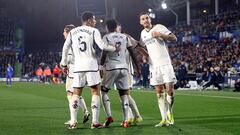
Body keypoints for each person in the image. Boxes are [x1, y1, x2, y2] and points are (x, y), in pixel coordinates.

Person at [60, 11, 119, 129]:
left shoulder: (72, 32)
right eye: (94, 19)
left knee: (76, 93)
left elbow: (65, 48)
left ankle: (73, 121)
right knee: (95, 91)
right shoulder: (93, 31)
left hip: (78, 66)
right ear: (88, 20)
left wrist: (64, 64)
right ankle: (95, 122)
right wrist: (114, 48)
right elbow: (102, 46)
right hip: (91, 65)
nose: (95, 21)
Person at [139, 12, 177, 127]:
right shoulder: (142, 34)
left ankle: (170, 111)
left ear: (150, 19)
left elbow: (174, 38)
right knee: (159, 92)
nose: (145, 20)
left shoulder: (159, 27)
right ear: (140, 22)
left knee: (170, 90)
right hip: (153, 66)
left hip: (165, 64)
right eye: (143, 19)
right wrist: (145, 55)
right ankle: (163, 118)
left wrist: (160, 34)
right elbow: (141, 46)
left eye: (147, 18)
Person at [100, 19, 140, 128]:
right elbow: (132, 52)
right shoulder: (125, 37)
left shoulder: (106, 37)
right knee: (124, 94)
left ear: (107, 27)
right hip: (124, 68)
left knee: (103, 91)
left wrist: (100, 66)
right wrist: (138, 67)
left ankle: (109, 116)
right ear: (116, 26)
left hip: (112, 67)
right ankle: (126, 120)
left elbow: (104, 53)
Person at [62, 24, 90, 125]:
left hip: (73, 71)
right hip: (82, 69)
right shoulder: (80, 41)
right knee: (77, 94)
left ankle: (73, 119)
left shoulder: (70, 43)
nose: (63, 34)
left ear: (68, 32)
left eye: (64, 32)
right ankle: (86, 111)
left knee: (70, 95)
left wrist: (63, 65)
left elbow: (69, 58)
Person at [116, 23, 143, 125]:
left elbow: (138, 45)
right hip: (117, 71)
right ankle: (131, 117)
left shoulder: (126, 37)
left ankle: (136, 116)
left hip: (126, 69)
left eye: (117, 27)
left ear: (120, 28)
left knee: (125, 94)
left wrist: (146, 55)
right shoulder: (111, 39)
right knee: (122, 95)